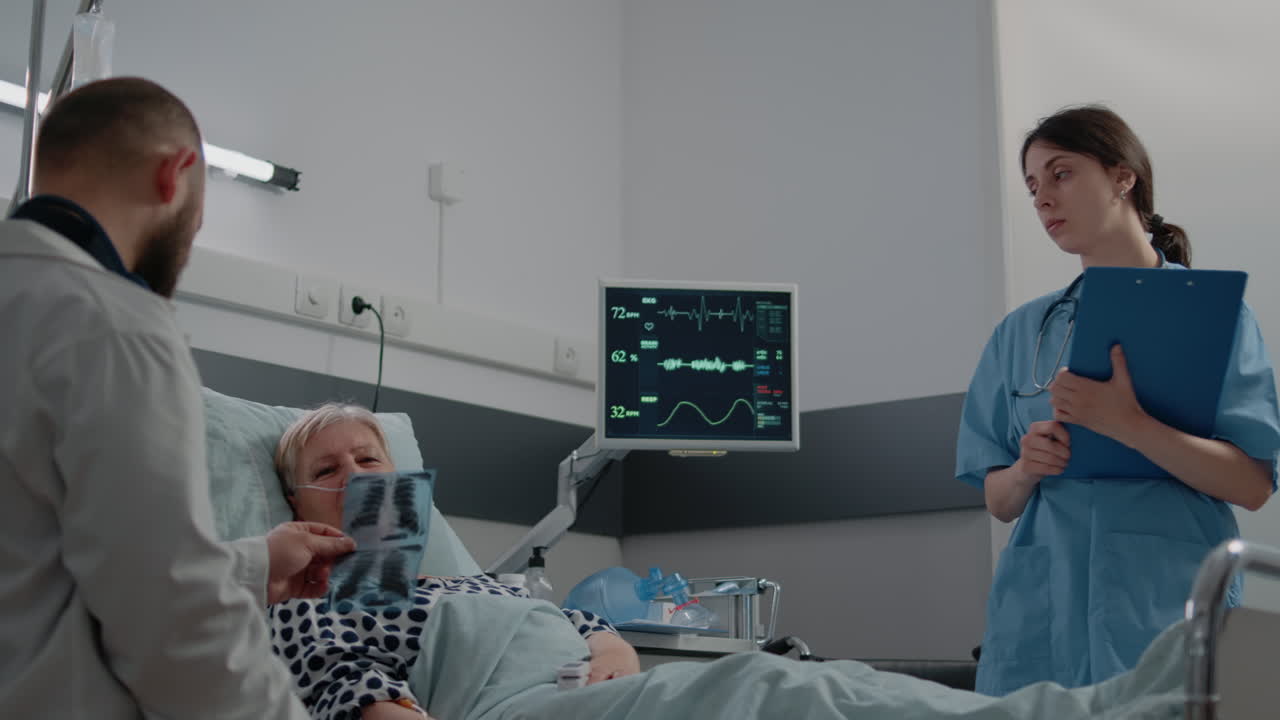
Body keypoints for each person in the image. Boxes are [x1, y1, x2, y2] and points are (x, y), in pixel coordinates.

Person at [0, 77, 356, 719]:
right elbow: (170, 620)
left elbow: (41, 554)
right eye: (196, 226)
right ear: (177, 173)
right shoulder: (113, 323)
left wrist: (252, 565)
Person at [956, 105, 1280, 695]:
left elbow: (1253, 485)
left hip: (1167, 609)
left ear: (1122, 176)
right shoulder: (1021, 332)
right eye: (1032, 187)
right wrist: (1028, 468)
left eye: (1061, 174)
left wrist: (1127, 424)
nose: (1042, 200)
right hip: (1041, 617)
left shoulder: (1213, 316)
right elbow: (999, 500)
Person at [270, 403, 641, 720]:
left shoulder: (475, 583)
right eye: (326, 471)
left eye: (367, 458)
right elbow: (351, 693)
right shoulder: (308, 599)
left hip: (600, 696)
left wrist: (614, 651)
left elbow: (573, 620)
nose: (354, 474)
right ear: (296, 503)